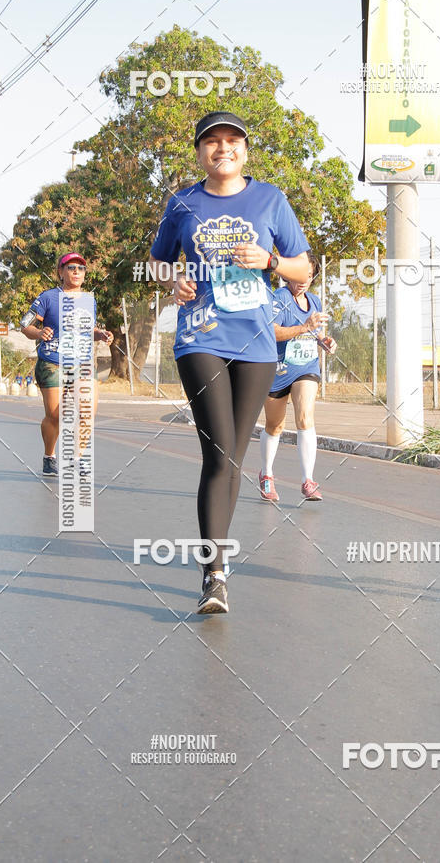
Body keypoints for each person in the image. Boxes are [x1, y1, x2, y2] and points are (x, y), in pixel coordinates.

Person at [149, 111, 310, 615]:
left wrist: (271, 262)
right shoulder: (183, 202)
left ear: (245, 150)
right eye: (212, 142)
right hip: (200, 337)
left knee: (233, 458)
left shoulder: (271, 199)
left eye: (232, 141)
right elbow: (156, 260)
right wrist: (170, 281)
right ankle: (214, 574)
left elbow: (303, 266)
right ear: (200, 153)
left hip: (258, 343)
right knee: (218, 452)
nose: (223, 149)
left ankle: (216, 565)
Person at [20, 252, 113, 476]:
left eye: (81, 268)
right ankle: (49, 456)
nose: (76, 272)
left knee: (86, 411)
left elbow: (87, 329)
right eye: (71, 267)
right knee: (56, 416)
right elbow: (25, 325)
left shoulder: (89, 300)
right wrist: (39, 332)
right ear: (60, 272)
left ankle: (78, 458)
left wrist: (100, 334)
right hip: (53, 363)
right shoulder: (48, 297)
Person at [259, 252, 336, 502]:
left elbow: (316, 334)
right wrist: (304, 327)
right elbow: (272, 332)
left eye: (310, 275)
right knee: (275, 425)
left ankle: (308, 480)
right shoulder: (278, 298)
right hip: (278, 369)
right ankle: (267, 474)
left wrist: (325, 342)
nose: (305, 280)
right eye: (301, 274)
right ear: (289, 274)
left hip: (306, 367)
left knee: (305, 416)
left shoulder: (315, 302)